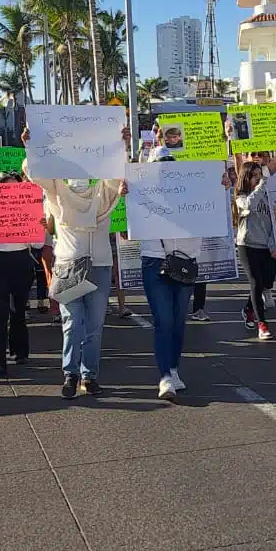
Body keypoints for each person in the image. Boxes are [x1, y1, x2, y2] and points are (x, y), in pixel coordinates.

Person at [23, 128, 124, 399]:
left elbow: (116, 174)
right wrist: (31, 146)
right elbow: (36, 174)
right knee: (74, 323)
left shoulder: (104, 194)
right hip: (70, 266)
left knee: (92, 325)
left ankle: (88, 375)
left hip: (99, 266)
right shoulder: (57, 196)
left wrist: (119, 145)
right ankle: (72, 373)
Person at [137, 149, 209, 400]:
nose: (165, 169)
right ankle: (165, 376)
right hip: (155, 262)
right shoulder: (141, 192)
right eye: (160, 165)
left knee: (179, 321)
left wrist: (223, 185)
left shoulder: (193, 192)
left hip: (186, 262)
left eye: (169, 164)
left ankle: (174, 369)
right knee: (164, 320)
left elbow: (217, 209)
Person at [0, 171, 42, 377]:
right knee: (0, 314)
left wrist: (40, 227)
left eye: (16, 188)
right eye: (7, 188)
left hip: (21, 262)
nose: (12, 193)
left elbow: (38, 243)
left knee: (18, 310)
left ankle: (20, 349)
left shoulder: (29, 208)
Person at [233, 160, 276, 340]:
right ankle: (262, 324)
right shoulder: (241, 196)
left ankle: (248, 308)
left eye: (260, 176)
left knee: (264, 281)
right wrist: (261, 186)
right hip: (247, 244)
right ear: (246, 178)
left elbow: (273, 223)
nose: (258, 179)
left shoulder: (268, 195)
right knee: (254, 281)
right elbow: (249, 205)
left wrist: (272, 245)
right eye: (254, 176)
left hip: (265, 245)